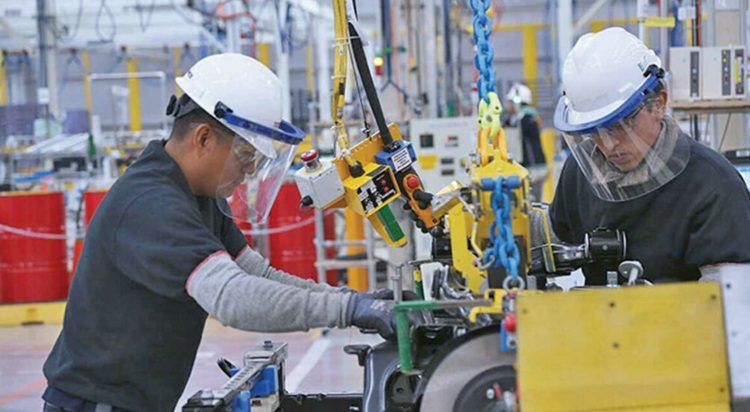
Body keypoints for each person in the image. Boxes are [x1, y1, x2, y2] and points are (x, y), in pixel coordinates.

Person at [42, 53, 397, 412]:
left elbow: (257, 275)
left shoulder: (199, 196)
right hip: (93, 405)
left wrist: (357, 300)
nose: (249, 170)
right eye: (246, 154)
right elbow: (233, 297)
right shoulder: (151, 204)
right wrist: (348, 309)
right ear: (204, 138)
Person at [549, 27, 750, 285]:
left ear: (658, 103)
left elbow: (730, 300)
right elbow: (550, 245)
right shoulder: (580, 173)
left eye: (621, 126)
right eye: (594, 132)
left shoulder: (714, 186)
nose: (609, 146)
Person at [504, 83, 547, 200]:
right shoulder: (515, 119)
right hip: (524, 168)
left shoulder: (527, 119)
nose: (507, 105)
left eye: (510, 102)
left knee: (533, 201)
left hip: (533, 168)